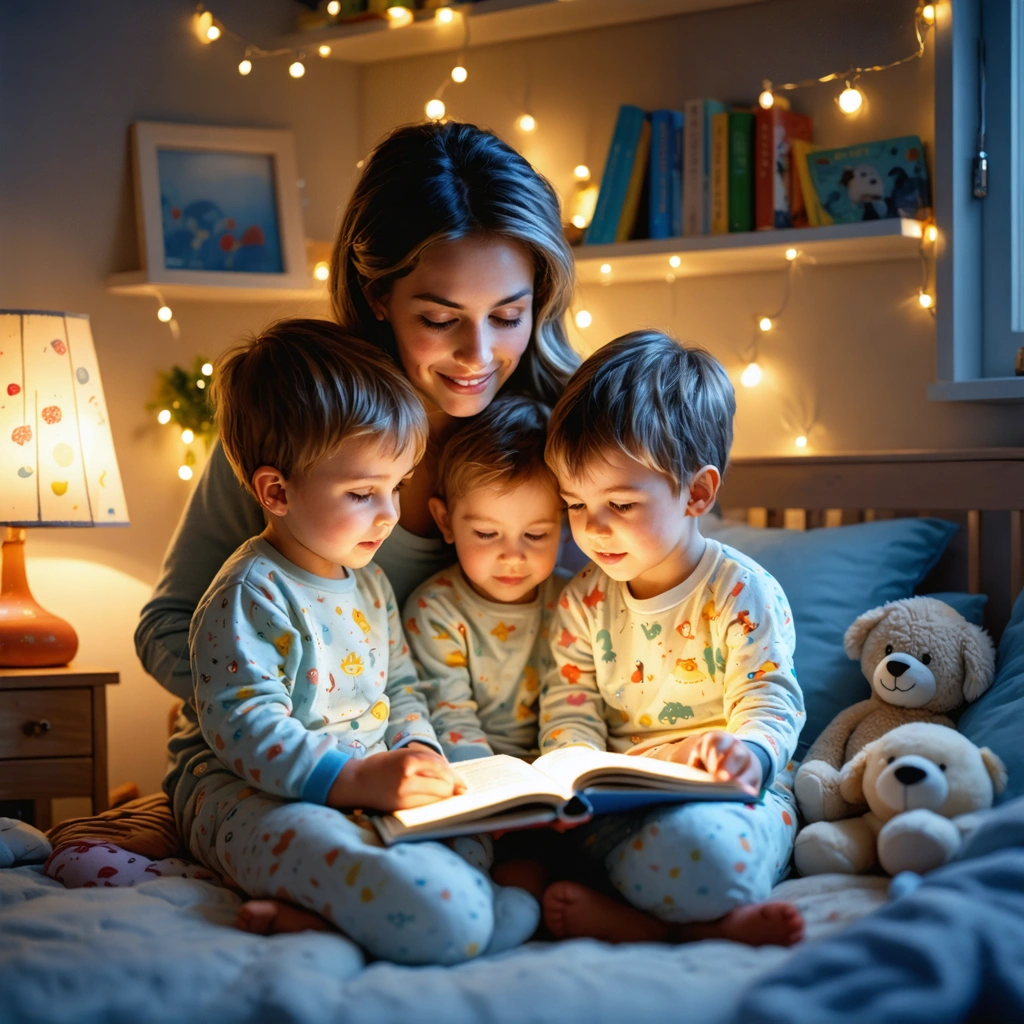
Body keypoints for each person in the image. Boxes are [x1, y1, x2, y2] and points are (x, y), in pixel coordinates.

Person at [134, 120, 579, 716]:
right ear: (377, 296)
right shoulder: (301, 419)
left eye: (507, 317)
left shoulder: (565, 438)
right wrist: (287, 727)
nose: (477, 355)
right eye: (440, 320)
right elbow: (166, 625)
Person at [179, 319, 539, 963]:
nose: (391, 514)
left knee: (472, 837)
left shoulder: (368, 582)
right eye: (363, 493)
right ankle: (431, 924)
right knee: (356, 865)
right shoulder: (252, 592)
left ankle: (331, 916)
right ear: (276, 491)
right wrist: (352, 779)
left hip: (366, 787)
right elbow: (244, 726)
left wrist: (419, 752)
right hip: (252, 793)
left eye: (397, 487)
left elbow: (400, 687)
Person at [538, 330, 806, 947]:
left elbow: (770, 698)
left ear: (698, 493)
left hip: (728, 795)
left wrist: (750, 754)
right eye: (575, 504)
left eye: (620, 504)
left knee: (707, 849)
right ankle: (697, 923)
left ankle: (653, 924)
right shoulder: (582, 600)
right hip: (623, 801)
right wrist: (571, 777)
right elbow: (569, 709)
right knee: (540, 848)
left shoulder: (740, 591)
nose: (591, 529)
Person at [403, 395, 566, 894]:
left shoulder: (576, 602)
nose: (512, 556)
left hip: (554, 785)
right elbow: (449, 715)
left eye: (536, 534)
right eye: (488, 533)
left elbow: (580, 702)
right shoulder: (435, 611)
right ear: (445, 521)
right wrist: (499, 794)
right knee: (458, 853)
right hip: (473, 779)